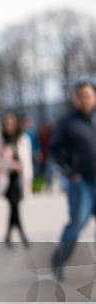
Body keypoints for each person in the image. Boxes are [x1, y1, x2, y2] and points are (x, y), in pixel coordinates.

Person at [50, 80, 96, 281]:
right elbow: (54, 149)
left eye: (87, 95)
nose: (84, 99)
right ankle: (59, 261)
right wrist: (70, 171)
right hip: (81, 181)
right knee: (77, 223)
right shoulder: (68, 123)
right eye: (80, 96)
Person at [0, 112, 33, 248]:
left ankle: (8, 236)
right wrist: (8, 163)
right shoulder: (0, 139)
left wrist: (29, 178)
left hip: (19, 179)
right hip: (6, 179)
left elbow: (28, 161)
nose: (9, 126)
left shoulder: (23, 139)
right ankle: (22, 236)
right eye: (7, 124)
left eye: (12, 123)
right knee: (14, 206)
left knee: (14, 207)